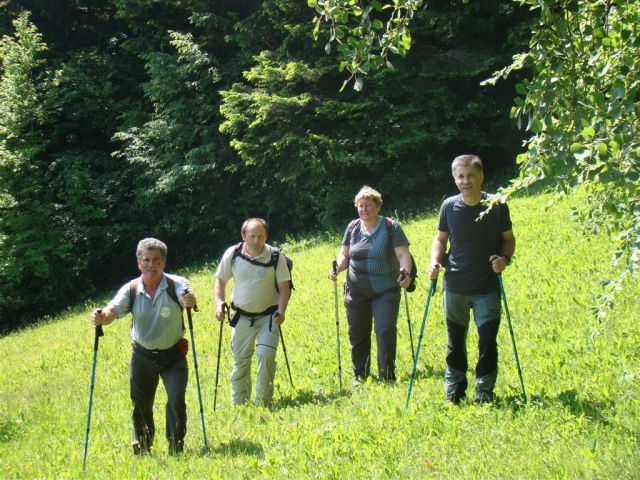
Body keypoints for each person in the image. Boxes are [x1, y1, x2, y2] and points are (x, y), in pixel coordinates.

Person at [92, 238, 197, 455]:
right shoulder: (130, 289)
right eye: (146, 260)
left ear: (164, 263)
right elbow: (113, 310)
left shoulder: (176, 284)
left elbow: (186, 296)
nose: (151, 265)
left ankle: (176, 446)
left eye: (156, 260)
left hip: (173, 354)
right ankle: (142, 447)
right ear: (139, 263)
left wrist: (190, 300)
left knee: (176, 399)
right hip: (142, 355)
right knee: (141, 403)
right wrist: (103, 318)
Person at [428, 154, 516, 405]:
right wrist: (435, 260)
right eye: (460, 176)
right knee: (455, 341)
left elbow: (508, 239)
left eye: (470, 176)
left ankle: (484, 393)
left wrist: (505, 259)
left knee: (487, 342)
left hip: (486, 285)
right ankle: (454, 391)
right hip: (455, 284)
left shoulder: (496, 204)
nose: (465, 181)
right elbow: (440, 239)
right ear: (455, 180)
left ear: (481, 177)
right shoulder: (448, 206)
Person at [329, 186, 413, 385]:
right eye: (360, 206)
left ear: (377, 205)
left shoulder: (391, 227)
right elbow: (344, 255)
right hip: (356, 291)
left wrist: (406, 273)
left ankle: (387, 375)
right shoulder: (353, 227)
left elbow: (403, 254)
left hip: (385, 289)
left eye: (368, 205)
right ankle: (361, 376)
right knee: (357, 333)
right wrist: (338, 267)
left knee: (385, 330)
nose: (364, 209)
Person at [214, 218, 291, 406]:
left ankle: (263, 401)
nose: (256, 240)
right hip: (241, 317)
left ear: (266, 236)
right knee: (241, 361)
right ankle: (240, 404)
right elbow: (220, 282)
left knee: (266, 355)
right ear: (243, 236)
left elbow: (284, 288)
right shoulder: (233, 254)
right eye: (252, 236)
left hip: (269, 317)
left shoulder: (275, 257)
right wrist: (219, 303)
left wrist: (281, 311)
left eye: (260, 236)